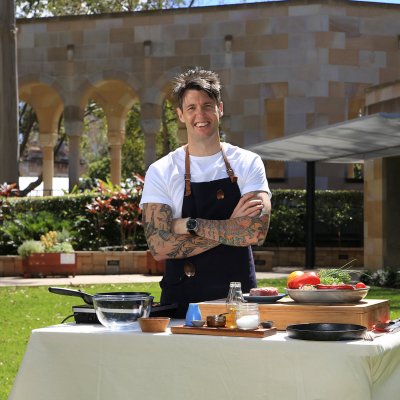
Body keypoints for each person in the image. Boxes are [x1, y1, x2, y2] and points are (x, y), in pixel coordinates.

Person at [140, 67, 271, 317]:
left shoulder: (248, 162)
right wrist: (232, 227)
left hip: (238, 302)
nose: (200, 114)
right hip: (182, 301)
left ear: (220, 109)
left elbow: (256, 231)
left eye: (207, 105)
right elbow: (158, 247)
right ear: (180, 114)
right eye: (191, 108)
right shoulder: (162, 170)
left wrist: (189, 225)